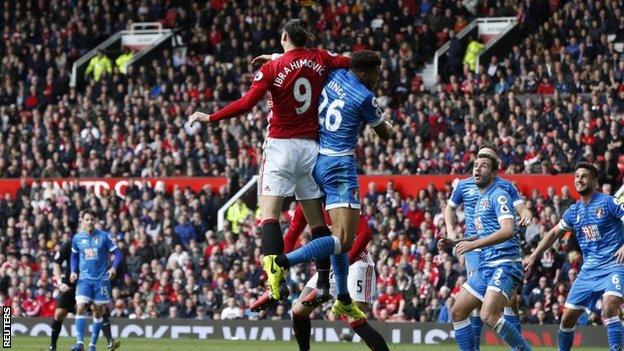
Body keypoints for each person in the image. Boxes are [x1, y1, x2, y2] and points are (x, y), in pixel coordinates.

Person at [187, 19, 351, 303]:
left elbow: (247, 103)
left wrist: (210, 117)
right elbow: (345, 62)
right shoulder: (320, 58)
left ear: (284, 36)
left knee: (269, 216)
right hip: (310, 148)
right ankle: (324, 282)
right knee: (316, 220)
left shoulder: (271, 68)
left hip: (280, 147)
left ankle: (276, 280)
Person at [262, 50, 393, 320]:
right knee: (343, 240)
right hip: (339, 168)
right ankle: (281, 263)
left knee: (337, 238)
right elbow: (384, 133)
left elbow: (306, 63)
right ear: (366, 73)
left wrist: (276, 57)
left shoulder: (333, 75)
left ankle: (343, 298)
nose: (379, 78)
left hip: (316, 159)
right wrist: (388, 123)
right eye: (378, 73)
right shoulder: (365, 96)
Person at [524, 162, 624, 351]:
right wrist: (534, 255)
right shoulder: (574, 211)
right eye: (577, 176)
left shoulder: (608, 202)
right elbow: (554, 233)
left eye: (584, 176)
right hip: (588, 271)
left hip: (614, 265)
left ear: (595, 182)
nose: (579, 179)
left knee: (609, 306)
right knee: (567, 317)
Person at [442, 144, 532, 350]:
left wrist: (526, 214)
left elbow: (510, 226)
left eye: (485, 162)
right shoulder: (471, 191)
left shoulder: (501, 191)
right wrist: (453, 238)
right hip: (479, 254)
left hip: (503, 258)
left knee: (495, 310)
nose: (478, 167)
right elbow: (450, 209)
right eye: (477, 162)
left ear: (494, 171)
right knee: (460, 310)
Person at [275, 204, 389, 351]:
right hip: (329, 267)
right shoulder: (305, 203)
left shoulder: (338, 199)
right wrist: (279, 269)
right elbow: (291, 235)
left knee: (356, 321)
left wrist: (344, 263)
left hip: (356, 263)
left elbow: (365, 233)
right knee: (298, 311)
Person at [49, 236, 120, 351]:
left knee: (98, 309)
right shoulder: (68, 244)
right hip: (70, 285)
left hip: (88, 282)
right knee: (59, 313)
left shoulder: (95, 244)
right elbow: (56, 263)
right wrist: (59, 283)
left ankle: (108, 341)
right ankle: (52, 346)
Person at [70, 211, 123, 351]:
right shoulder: (77, 238)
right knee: (80, 307)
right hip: (84, 280)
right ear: (82, 221)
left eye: (92, 219)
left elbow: (118, 253)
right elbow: (74, 256)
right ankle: (79, 343)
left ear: (96, 221)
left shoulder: (103, 237)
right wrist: (73, 271)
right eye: (87, 219)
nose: (89, 222)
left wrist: (113, 268)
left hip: (101, 280)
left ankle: (92, 345)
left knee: (98, 312)